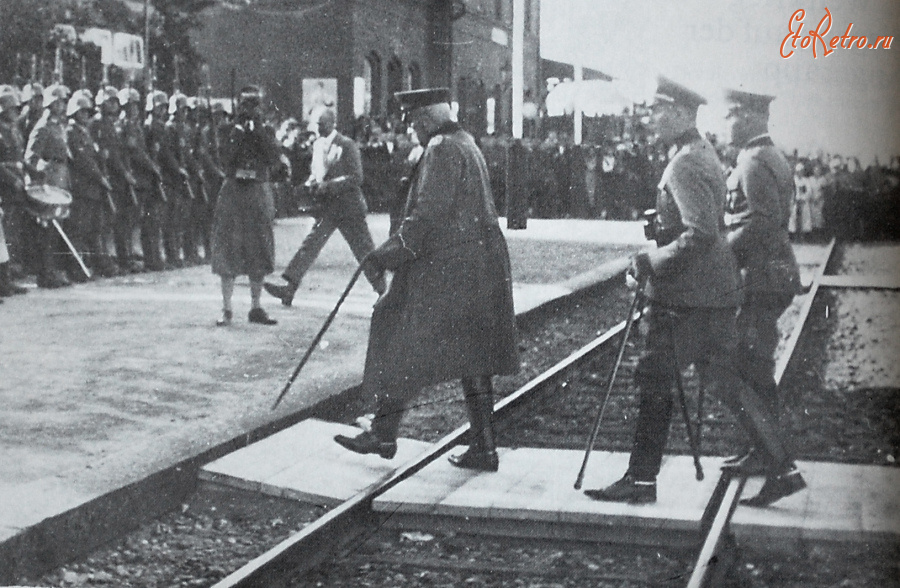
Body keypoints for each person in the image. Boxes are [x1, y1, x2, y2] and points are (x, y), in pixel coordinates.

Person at [583, 77, 805, 507]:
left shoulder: (685, 162)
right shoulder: (703, 155)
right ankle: (782, 466)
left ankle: (642, 480)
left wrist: (650, 260)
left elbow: (700, 233)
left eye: (659, 111)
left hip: (688, 297)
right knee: (725, 379)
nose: (651, 118)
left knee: (654, 376)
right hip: (714, 294)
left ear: (683, 114)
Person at [333, 88, 519, 472]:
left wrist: (385, 254)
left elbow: (426, 216)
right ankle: (483, 448)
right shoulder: (464, 142)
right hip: (477, 263)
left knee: (401, 333)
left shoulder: (441, 148)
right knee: (474, 355)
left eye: (413, 122)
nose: (411, 130)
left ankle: (383, 435)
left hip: (451, 266)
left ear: (426, 120)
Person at [721, 88, 804, 470]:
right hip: (771, 273)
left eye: (732, 115)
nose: (727, 123)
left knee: (748, 366)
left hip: (762, 277)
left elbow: (761, 222)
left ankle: (774, 457)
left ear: (752, 117)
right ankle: (762, 449)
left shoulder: (754, 161)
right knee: (752, 365)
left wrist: (721, 253)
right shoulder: (768, 155)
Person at [263, 107, 385, 307]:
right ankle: (289, 288)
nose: (318, 128)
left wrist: (329, 185)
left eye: (322, 124)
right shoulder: (318, 145)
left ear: (333, 123)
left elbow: (357, 177)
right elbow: (317, 172)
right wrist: (309, 184)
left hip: (349, 208)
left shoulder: (347, 145)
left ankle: (383, 290)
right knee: (310, 245)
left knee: (363, 249)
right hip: (328, 207)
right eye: (317, 124)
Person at [209, 86, 281, 326]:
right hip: (234, 191)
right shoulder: (226, 130)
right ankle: (227, 308)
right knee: (228, 248)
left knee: (259, 247)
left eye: (254, 105)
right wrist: (239, 131)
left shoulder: (266, 131)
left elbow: (273, 158)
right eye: (245, 106)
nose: (249, 111)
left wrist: (258, 130)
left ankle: (256, 306)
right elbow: (225, 158)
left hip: (257, 190)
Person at [24, 83, 73, 288]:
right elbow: (30, 157)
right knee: (47, 230)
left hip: (61, 177)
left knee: (57, 228)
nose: (62, 105)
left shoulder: (58, 125)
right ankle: (46, 274)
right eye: (58, 102)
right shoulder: (42, 127)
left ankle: (53, 271)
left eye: (63, 102)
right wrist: (43, 174)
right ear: (51, 104)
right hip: (48, 181)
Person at [67, 89, 116, 280]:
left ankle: (98, 265)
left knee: (94, 228)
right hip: (82, 186)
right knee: (79, 230)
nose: (85, 115)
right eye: (82, 112)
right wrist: (100, 177)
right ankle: (77, 268)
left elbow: (93, 157)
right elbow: (83, 161)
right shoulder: (72, 133)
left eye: (87, 112)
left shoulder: (85, 132)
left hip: (92, 187)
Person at [0, 85, 29, 298]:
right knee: (5, 235)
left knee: (14, 233)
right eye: (11, 109)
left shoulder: (14, 130)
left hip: (17, 181)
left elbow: (21, 158)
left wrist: (28, 173)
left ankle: (9, 278)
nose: (15, 113)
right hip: (6, 186)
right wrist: (12, 180)